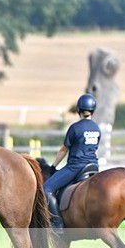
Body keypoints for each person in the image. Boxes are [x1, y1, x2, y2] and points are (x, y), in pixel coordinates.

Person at [44, 93, 101, 231]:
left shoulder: (75, 128)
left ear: (79, 109)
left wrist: (53, 166)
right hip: (93, 166)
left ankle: (57, 223)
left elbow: (64, 150)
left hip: (76, 167)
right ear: (93, 109)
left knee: (47, 189)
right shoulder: (97, 128)